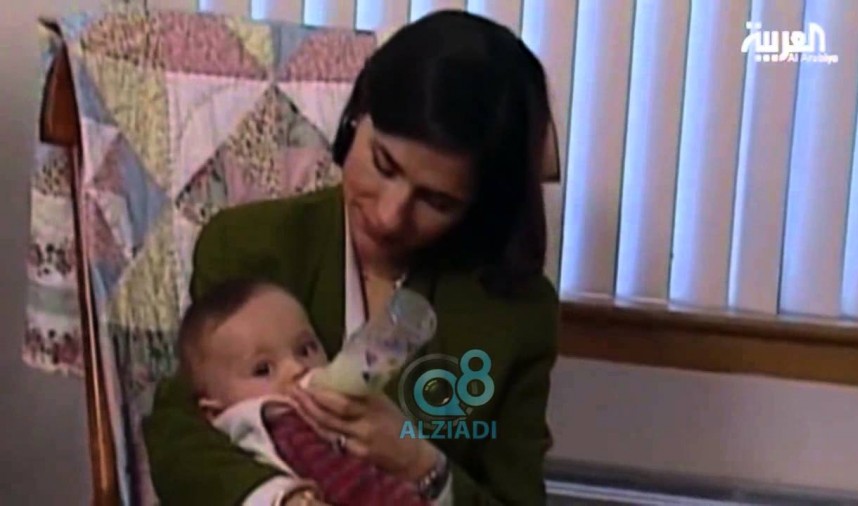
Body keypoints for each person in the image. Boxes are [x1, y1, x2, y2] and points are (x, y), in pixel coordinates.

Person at [143, 10, 560, 506]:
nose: (389, 216)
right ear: (353, 119)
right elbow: (181, 432)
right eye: (383, 164)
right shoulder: (248, 244)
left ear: (481, 207)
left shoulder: (514, 313)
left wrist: (422, 465)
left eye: (437, 201)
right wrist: (281, 500)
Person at [176, 278, 434, 506]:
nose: (297, 368)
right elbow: (352, 486)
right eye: (263, 369)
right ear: (215, 412)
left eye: (305, 349)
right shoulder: (281, 424)